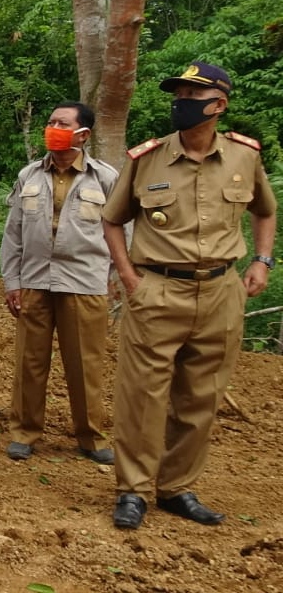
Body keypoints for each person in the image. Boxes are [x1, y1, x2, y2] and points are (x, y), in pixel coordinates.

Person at [103, 62, 276, 530]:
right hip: (157, 289)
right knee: (142, 397)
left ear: (219, 105)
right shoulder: (147, 158)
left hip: (222, 291)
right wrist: (128, 276)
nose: (181, 102)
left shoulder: (245, 157)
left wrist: (262, 261)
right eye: (178, 94)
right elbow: (112, 219)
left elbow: (265, 210)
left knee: (201, 397)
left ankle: (176, 487)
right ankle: (133, 491)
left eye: (191, 95)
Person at [0, 101, 118, 464]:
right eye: (50, 122)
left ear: (83, 134)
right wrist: (12, 281)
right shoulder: (29, 176)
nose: (53, 127)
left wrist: (115, 278)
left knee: (85, 365)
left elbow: (122, 233)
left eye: (62, 123)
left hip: (85, 284)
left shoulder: (106, 178)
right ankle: (24, 432)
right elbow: (14, 233)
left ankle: (90, 437)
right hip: (35, 281)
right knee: (29, 362)